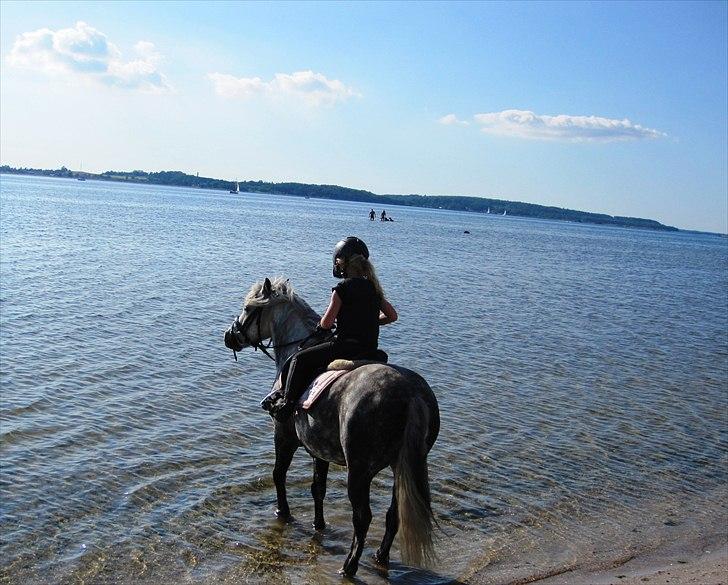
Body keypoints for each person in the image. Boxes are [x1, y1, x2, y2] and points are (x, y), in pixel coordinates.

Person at [271, 236, 398, 420]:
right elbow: (392, 316)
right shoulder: (373, 289)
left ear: (342, 263)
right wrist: (368, 321)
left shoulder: (342, 289)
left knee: (299, 359)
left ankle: (286, 406)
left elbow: (327, 324)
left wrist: (322, 325)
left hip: (345, 347)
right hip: (369, 349)